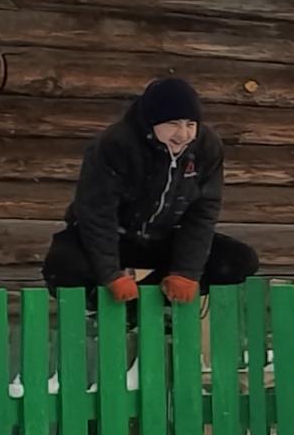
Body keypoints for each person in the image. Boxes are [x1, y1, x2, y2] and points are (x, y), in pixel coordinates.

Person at [43, 76, 258, 298]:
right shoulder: (115, 145)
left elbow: (202, 214)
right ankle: (102, 312)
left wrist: (186, 273)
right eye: (173, 124)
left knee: (238, 259)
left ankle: (145, 304)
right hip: (113, 236)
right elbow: (97, 214)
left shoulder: (206, 148)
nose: (183, 135)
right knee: (63, 267)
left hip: (162, 237)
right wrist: (111, 275)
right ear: (152, 122)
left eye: (190, 124)